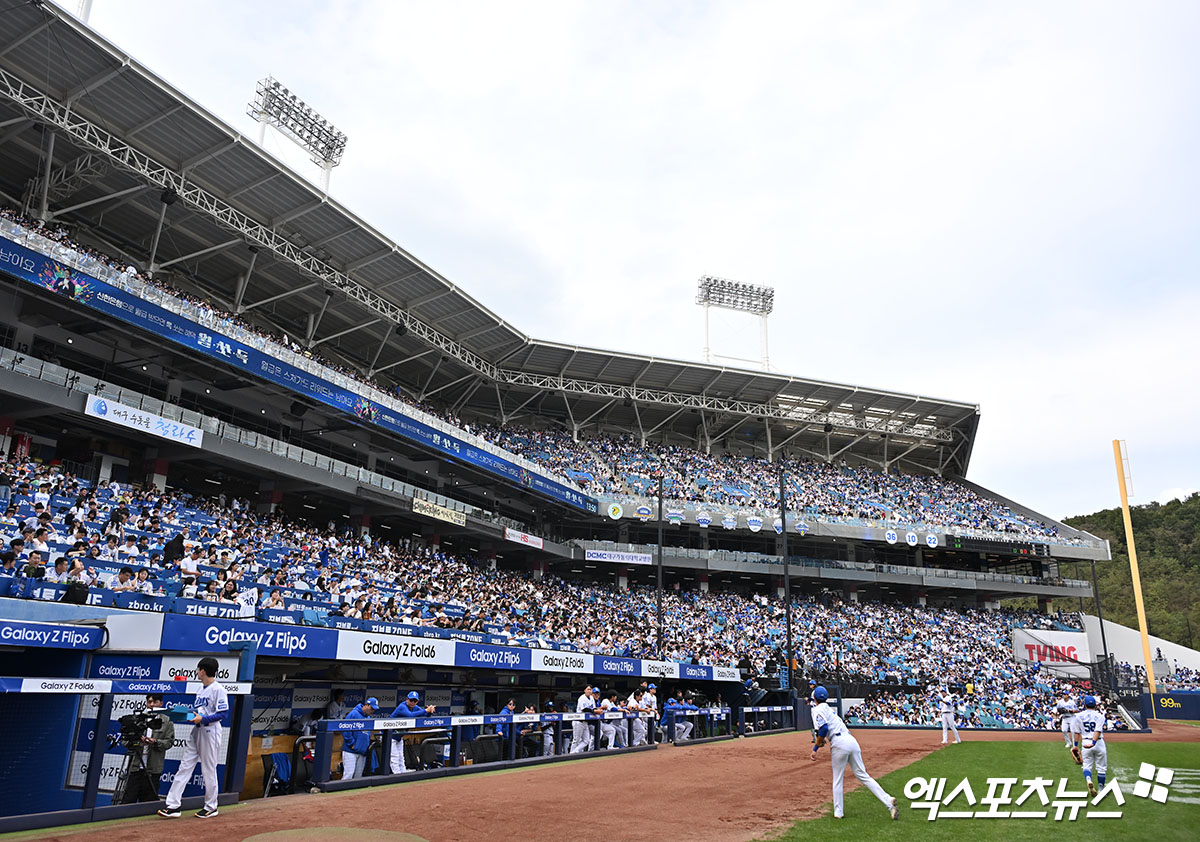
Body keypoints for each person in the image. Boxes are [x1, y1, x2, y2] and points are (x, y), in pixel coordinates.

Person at [810, 686, 898, 821]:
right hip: (851, 740)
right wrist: (821, 739)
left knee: (838, 779)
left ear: (814, 698)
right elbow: (825, 729)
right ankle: (888, 800)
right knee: (863, 775)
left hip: (839, 743)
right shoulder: (828, 709)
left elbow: (824, 729)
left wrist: (816, 747)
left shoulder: (817, 710)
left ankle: (838, 812)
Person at [158, 657, 228, 819]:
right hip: (197, 731)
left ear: (203, 671)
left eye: (198, 669)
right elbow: (199, 712)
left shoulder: (218, 689)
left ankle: (211, 806)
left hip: (210, 731)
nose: (196, 672)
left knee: (208, 770)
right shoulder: (200, 689)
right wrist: (185, 713)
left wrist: (202, 719)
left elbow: (223, 713)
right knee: (184, 766)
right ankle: (173, 805)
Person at [121, 693, 175, 803]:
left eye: (155, 702)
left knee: (148, 802)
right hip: (135, 767)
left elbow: (169, 742)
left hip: (153, 769)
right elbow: (125, 740)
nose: (152, 705)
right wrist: (136, 740)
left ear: (161, 703)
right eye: (149, 702)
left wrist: (155, 742)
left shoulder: (167, 721)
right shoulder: (137, 719)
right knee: (128, 800)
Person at [387, 691, 435, 774]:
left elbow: (425, 715)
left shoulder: (415, 707)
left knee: (401, 757)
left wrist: (429, 711)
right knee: (394, 757)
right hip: (390, 735)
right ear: (407, 699)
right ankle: (397, 776)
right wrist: (425, 710)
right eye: (411, 700)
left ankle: (403, 774)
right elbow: (410, 715)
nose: (413, 702)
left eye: (415, 701)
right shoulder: (402, 706)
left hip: (399, 736)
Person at [340, 697, 378, 780]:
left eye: (374, 710)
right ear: (366, 705)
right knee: (348, 775)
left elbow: (366, 734)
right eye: (371, 709)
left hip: (362, 752)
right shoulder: (354, 714)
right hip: (350, 751)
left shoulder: (368, 718)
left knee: (358, 776)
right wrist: (352, 744)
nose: (372, 711)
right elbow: (345, 730)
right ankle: (342, 793)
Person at [1077, 695, 1107, 797]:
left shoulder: (1079, 716)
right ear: (1095, 705)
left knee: (1087, 766)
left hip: (1085, 741)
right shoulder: (1100, 716)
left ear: (1084, 704)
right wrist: (1093, 743)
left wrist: (1075, 746)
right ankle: (1101, 790)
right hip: (1098, 742)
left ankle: (1089, 779)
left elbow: (1077, 732)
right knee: (1101, 768)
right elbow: (1098, 730)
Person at [570, 686, 596, 753]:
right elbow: (585, 709)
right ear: (584, 690)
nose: (589, 691)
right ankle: (571, 755)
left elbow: (593, 708)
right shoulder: (582, 698)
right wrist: (595, 711)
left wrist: (598, 710)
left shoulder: (592, 698)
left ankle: (574, 752)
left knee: (586, 740)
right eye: (588, 689)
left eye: (591, 690)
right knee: (576, 740)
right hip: (578, 721)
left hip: (585, 722)